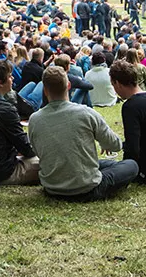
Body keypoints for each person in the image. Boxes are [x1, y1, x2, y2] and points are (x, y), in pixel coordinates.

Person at [29, 68, 137, 201]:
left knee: (104, 163)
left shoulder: (34, 120)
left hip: (52, 188)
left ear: (45, 90)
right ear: (68, 86)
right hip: (87, 189)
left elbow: (37, 150)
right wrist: (105, 142)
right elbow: (115, 145)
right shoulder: (86, 113)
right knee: (131, 165)